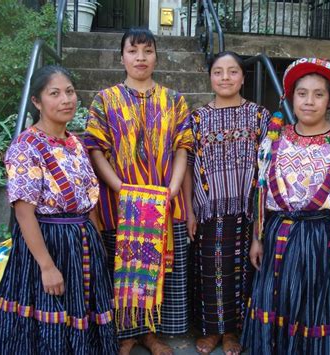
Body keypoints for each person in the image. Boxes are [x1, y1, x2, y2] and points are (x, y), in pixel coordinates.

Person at [241, 58, 330, 354]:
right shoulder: (272, 142)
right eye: (302, 93)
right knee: (282, 306)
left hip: (325, 243)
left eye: (318, 94)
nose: (309, 102)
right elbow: (262, 196)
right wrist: (256, 239)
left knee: (321, 312)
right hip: (280, 240)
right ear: (291, 97)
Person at [0, 65, 118, 354]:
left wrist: (96, 240)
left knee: (83, 313)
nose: (66, 100)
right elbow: (24, 214)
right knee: (49, 317)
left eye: (70, 92)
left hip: (83, 243)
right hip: (48, 244)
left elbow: (89, 197)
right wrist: (47, 267)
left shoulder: (76, 143)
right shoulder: (26, 147)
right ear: (37, 101)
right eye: (55, 93)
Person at [84, 27, 193, 355]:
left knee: (158, 267)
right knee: (125, 269)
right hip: (121, 204)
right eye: (133, 51)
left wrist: (172, 190)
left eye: (147, 51)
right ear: (122, 57)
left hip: (163, 201)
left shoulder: (175, 101)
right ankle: (126, 334)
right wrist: (122, 190)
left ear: (157, 56)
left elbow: (182, 149)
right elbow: (95, 150)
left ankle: (150, 334)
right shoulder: (104, 100)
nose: (141, 58)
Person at [184, 51, 270, 354]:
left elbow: (267, 166)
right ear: (210, 77)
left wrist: (261, 213)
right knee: (210, 271)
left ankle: (233, 331)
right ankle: (210, 330)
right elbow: (187, 164)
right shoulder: (196, 119)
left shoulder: (260, 116)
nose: (225, 78)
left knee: (241, 272)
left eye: (232, 72)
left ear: (243, 77)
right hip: (209, 209)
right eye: (218, 72)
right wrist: (189, 209)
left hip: (246, 208)